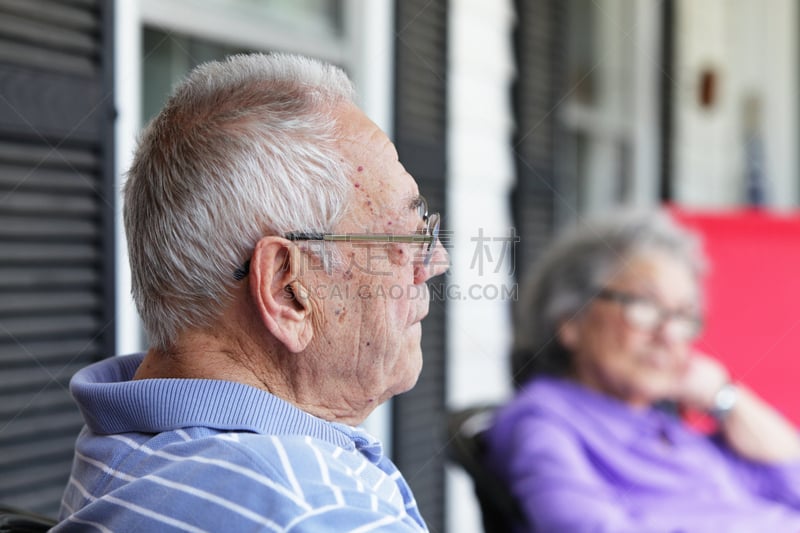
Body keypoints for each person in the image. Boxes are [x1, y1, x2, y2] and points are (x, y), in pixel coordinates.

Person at [54, 53, 448, 532]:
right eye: (405, 237)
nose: (436, 261)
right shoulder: (319, 512)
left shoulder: (121, 440)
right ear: (288, 291)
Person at [485, 209, 800, 532]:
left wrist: (726, 399)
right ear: (570, 321)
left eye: (682, 315)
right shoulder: (546, 420)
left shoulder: (667, 428)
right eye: (645, 306)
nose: (668, 335)